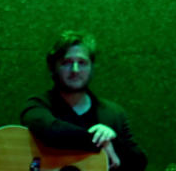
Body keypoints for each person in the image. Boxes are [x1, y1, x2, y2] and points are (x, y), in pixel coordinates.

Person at [21, 30, 147, 171]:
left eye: (82, 63)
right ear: (53, 68)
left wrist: (112, 141)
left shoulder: (114, 114)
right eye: (67, 63)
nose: (75, 70)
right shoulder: (38, 104)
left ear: (92, 67)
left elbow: (139, 163)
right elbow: (50, 130)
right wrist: (96, 141)